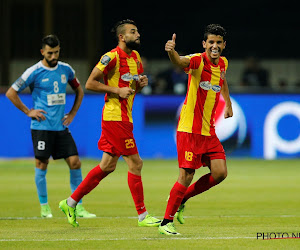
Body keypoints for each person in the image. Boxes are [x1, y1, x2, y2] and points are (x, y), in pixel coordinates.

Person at [59, 19, 161, 228]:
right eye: (133, 32)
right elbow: (89, 83)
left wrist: (140, 85)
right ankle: (143, 215)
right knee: (136, 163)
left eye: (138, 31)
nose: (138, 34)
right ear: (122, 37)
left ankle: (70, 203)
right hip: (115, 118)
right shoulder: (111, 57)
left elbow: (130, 90)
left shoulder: (136, 58)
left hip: (125, 118)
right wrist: (116, 90)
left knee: (107, 166)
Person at [6, 35, 95, 219]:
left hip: (61, 127)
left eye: (56, 52)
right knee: (42, 164)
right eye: (50, 53)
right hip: (42, 127)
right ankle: (44, 206)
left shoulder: (66, 69)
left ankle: (77, 206)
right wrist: (28, 111)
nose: (53, 56)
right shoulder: (34, 71)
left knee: (75, 162)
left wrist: (72, 113)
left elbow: (79, 90)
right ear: (42, 52)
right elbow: (11, 92)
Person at [158, 24, 233, 235]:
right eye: (211, 42)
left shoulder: (223, 63)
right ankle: (166, 223)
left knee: (220, 173)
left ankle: (182, 199)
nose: (215, 46)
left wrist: (228, 103)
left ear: (224, 45)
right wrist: (171, 51)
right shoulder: (197, 60)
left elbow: (223, 80)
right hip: (189, 130)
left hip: (208, 132)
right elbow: (180, 61)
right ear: (204, 44)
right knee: (186, 175)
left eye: (218, 42)